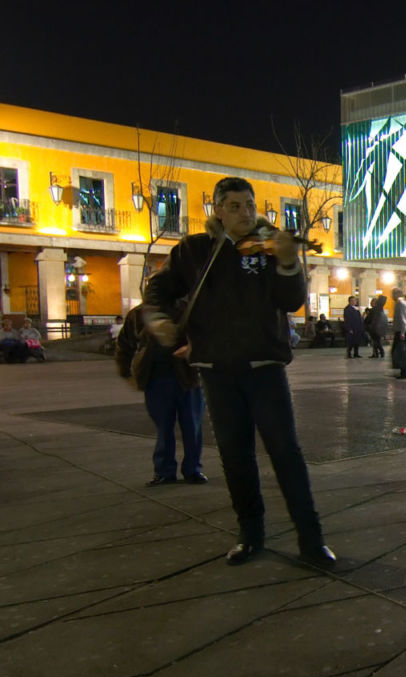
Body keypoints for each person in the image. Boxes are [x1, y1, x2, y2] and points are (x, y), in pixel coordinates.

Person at [143, 176, 336, 570]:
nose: (245, 213)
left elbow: (292, 300)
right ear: (216, 209)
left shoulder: (268, 247)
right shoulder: (196, 250)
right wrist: (159, 319)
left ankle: (311, 539)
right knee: (235, 456)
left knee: (286, 453)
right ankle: (250, 534)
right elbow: (158, 289)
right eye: (234, 206)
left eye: (249, 204)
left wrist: (287, 262)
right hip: (216, 371)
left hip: (265, 368)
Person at [114, 303, 206, 487]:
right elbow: (124, 343)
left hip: (187, 377)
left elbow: (208, 335)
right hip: (157, 378)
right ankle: (168, 470)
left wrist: (193, 348)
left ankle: (190, 469)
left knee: (191, 426)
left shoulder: (190, 307)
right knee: (166, 427)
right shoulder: (139, 314)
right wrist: (125, 371)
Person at [390, 287, 406, 379]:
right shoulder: (400, 303)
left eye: (393, 294)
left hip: (402, 332)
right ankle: (401, 370)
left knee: (401, 352)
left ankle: (405, 373)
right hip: (400, 331)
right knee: (397, 352)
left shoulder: (400, 304)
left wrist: (402, 332)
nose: (391, 296)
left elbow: (404, 319)